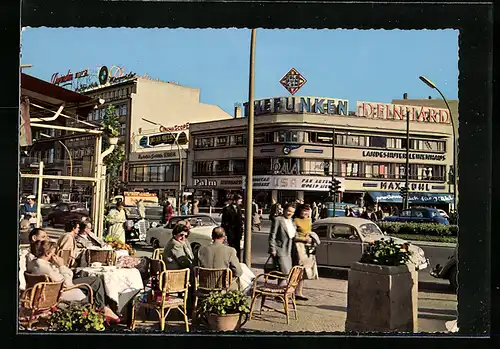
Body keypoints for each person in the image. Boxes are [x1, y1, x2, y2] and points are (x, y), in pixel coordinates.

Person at [27, 240, 120, 323]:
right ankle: (103, 308)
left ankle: (103, 308)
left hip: (49, 289)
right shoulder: (45, 268)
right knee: (96, 283)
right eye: (53, 253)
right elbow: (66, 284)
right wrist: (61, 265)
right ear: (47, 254)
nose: (55, 255)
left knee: (95, 281)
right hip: (61, 292)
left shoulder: (34, 263)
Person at [293, 205, 318, 301]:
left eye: (307, 211)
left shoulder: (309, 220)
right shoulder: (295, 221)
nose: (306, 213)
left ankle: (299, 292)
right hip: (299, 247)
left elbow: (309, 231)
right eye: (304, 211)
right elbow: (293, 236)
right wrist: (304, 239)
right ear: (299, 211)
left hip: (308, 247)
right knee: (298, 269)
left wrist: (311, 237)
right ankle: (292, 290)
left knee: (305, 271)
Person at [268, 203, 297, 285]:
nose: (290, 213)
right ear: (284, 210)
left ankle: (282, 292)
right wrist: (272, 249)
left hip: (289, 250)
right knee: (284, 272)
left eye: (292, 212)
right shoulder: (278, 220)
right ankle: (281, 291)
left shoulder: (291, 221)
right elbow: (272, 235)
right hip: (280, 250)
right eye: (288, 211)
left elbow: (292, 235)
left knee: (286, 273)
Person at [221, 194, 244, 260]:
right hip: (230, 232)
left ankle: (238, 260)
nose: (240, 202)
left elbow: (240, 221)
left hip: (238, 232)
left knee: (237, 248)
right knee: (231, 247)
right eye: (239, 200)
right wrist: (224, 232)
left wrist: (241, 230)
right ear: (235, 201)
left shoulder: (239, 208)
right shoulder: (227, 209)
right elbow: (224, 222)